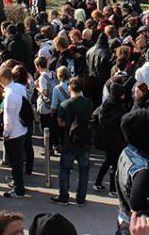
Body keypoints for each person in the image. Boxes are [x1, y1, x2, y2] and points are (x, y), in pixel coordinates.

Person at [116, 109, 149, 235]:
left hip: (126, 220)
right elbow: (136, 203)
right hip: (147, 227)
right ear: (143, 134)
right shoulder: (145, 169)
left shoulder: (128, 151)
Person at [53, 77, 93, 206]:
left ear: (70, 88)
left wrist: (68, 124)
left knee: (65, 170)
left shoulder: (65, 104)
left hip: (69, 141)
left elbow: (60, 123)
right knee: (84, 171)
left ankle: (64, 196)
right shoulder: (88, 103)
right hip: (85, 140)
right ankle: (81, 198)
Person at [0, 66, 28, 199]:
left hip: (13, 132)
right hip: (22, 129)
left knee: (15, 163)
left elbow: (8, 119)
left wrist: (5, 134)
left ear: (3, 79)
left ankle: (18, 189)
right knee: (19, 161)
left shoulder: (9, 96)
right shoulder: (19, 88)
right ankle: (18, 184)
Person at [91, 82, 127, 195]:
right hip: (116, 140)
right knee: (114, 164)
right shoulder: (120, 109)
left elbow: (94, 116)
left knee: (108, 161)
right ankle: (113, 188)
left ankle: (97, 183)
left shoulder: (105, 105)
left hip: (106, 139)